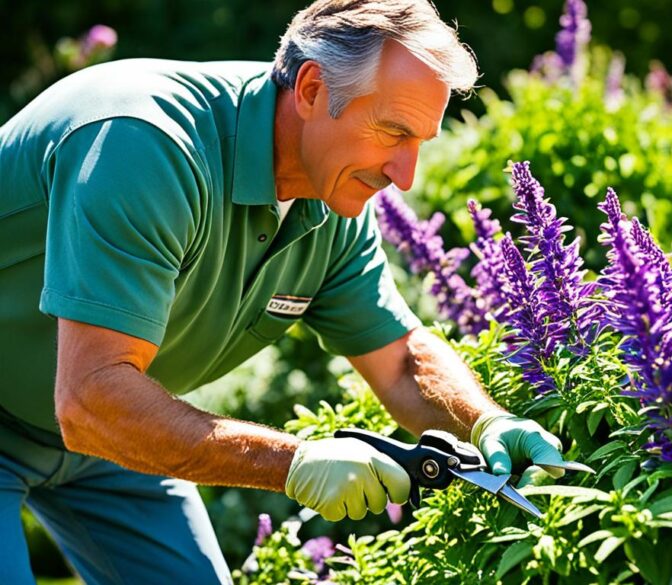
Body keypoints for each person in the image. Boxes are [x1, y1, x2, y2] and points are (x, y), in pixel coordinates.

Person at [0, 1, 569, 582]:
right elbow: (92, 400)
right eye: (394, 131)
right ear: (312, 88)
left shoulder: (333, 203)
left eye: (420, 141)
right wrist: (294, 463)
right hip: (87, 409)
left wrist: (487, 424)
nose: (406, 175)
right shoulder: (147, 149)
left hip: (112, 431)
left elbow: (399, 363)